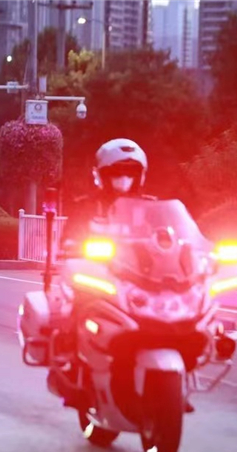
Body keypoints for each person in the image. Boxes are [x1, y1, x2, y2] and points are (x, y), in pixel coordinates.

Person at [49, 138, 196, 413]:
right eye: (117, 172)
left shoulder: (153, 207)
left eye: (130, 172)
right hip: (101, 276)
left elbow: (173, 237)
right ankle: (72, 370)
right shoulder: (87, 206)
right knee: (77, 310)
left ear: (140, 175)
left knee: (185, 316)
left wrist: (187, 251)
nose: (123, 178)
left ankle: (178, 385)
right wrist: (72, 246)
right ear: (102, 175)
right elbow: (70, 240)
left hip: (143, 278)